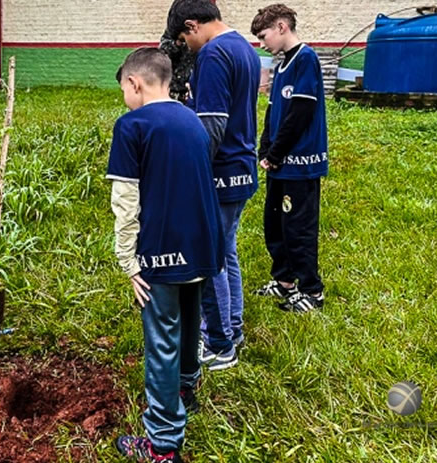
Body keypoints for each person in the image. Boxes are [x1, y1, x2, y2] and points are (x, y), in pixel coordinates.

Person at [107, 47, 224, 463]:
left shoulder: (132, 125)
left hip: (160, 253)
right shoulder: (191, 120)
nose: (125, 96)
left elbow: (125, 200)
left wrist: (129, 262)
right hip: (203, 246)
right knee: (191, 320)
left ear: (135, 83)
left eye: (124, 88)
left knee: (162, 340)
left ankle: (161, 444)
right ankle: (185, 391)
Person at [166, 0, 261, 370]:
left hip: (220, 171)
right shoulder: (244, 48)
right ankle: (232, 327)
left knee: (209, 261)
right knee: (226, 252)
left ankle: (220, 344)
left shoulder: (214, 54)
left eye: (183, 39)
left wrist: (188, 172)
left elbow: (213, 127)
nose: (186, 47)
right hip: (243, 167)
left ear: (192, 25)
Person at [251, 4, 328, 313]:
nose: (261, 42)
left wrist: (277, 152)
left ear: (281, 27)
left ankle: (312, 291)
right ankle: (284, 281)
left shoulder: (305, 60)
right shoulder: (281, 65)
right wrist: (265, 148)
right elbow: (274, 112)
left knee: (299, 228)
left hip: (300, 163)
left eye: (263, 35)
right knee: (276, 224)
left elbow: (300, 112)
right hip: (279, 163)